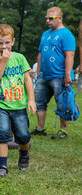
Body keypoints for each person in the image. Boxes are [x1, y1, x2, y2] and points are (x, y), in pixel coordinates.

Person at [0, 24, 36, 177]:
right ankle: (3, 166)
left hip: (19, 105)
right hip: (1, 105)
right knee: (2, 134)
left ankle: (24, 153)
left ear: (13, 41)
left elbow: (27, 80)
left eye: (7, 42)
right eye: (0, 43)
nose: (4, 46)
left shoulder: (20, 58)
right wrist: (3, 62)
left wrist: (31, 100)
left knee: (23, 136)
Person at [31, 7, 75, 139]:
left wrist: (67, 75)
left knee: (62, 103)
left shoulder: (66, 34)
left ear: (60, 18)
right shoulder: (45, 34)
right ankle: (40, 128)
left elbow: (70, 55)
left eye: (51, 18)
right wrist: (38, 72)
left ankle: (63, 131)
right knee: (39, 102)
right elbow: (40, 53)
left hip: (60, 76)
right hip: (44, 76)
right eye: (46, 18)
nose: (48, 21)